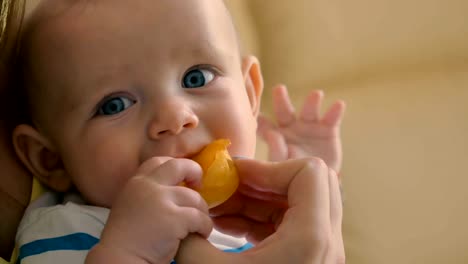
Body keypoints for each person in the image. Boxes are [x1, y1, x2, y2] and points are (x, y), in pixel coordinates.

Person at [9, 0, 346, 263]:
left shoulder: (263, 211)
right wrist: (128, 253)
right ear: (50, 160)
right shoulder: (71, 230)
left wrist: (317, 184)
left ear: (250, 94)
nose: (174, 116)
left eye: (196, 78)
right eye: (115, 105)